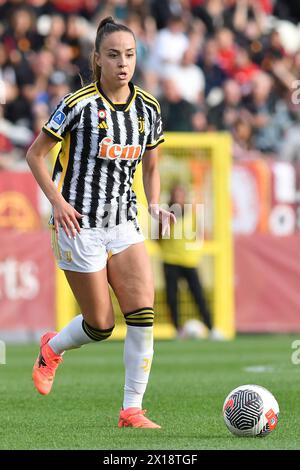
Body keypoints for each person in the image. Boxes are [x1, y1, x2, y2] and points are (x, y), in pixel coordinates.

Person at [26, 16, 175, 429]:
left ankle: (132, 410)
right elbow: (35, 155)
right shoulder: (77, 105)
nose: (123, 63)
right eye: (113, 55)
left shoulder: (149, 108)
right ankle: (52, 348)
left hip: (123, 221)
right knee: (101, 324)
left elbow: (151, 164)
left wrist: (156, 204)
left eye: (129, 55)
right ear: (97, 59)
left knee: (143, 313)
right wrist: (56, 202)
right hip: (79, 224)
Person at [159, 184, 220, 339]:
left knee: (198, 295)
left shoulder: (192, 214)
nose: (178, 198)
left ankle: (212, 328)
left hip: (189, 260)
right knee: (172, 297)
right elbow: (158, 237)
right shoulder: (165, 214)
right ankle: (178, 330)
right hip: (170, 259)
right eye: (175, 195)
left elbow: (201, 234)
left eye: (180, 195)